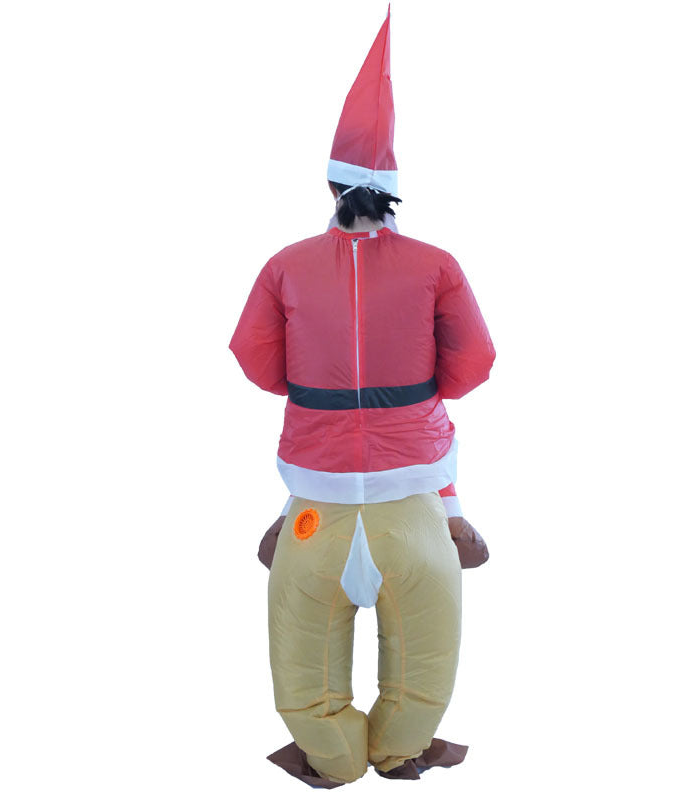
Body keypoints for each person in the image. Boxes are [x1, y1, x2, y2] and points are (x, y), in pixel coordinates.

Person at [228, 8, 496, 786]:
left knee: (301, 653)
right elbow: (474, 364)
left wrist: (318, 389)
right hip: (415, 508)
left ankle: (332, 756)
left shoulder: (285, 265)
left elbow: (254, 358)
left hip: (313, 512)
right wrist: (411, 389)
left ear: (331, 186)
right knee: (427, 651)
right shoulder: (436, 264)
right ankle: (402, 750)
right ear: (394, 195)